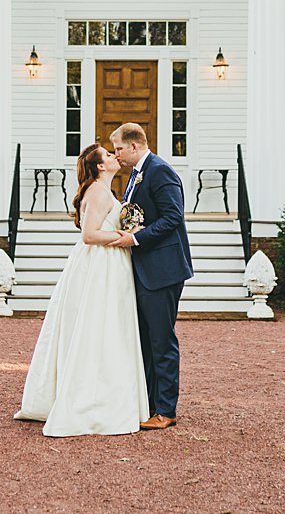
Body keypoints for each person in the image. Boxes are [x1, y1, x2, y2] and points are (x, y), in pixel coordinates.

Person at [13, 144, 151, 437]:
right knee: (100, 327)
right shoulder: (99, 192)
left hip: (107, 263)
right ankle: (94, 401)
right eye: (109, 155)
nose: (115, 156)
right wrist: (125, 236)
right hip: (102, 264)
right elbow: (89, 235)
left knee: (103, 327)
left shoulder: (104, 191)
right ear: (101, 166)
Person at [107, 122, 193, 430]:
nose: (115, 155)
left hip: (163, 268)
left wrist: (134, 240)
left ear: (133, 146)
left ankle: (166, 411)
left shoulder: (160, 171)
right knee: (145, 340)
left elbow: (173, 217)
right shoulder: (135, 174)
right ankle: (150, 403)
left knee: (161, 340)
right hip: (145, 268)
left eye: (118, 148)